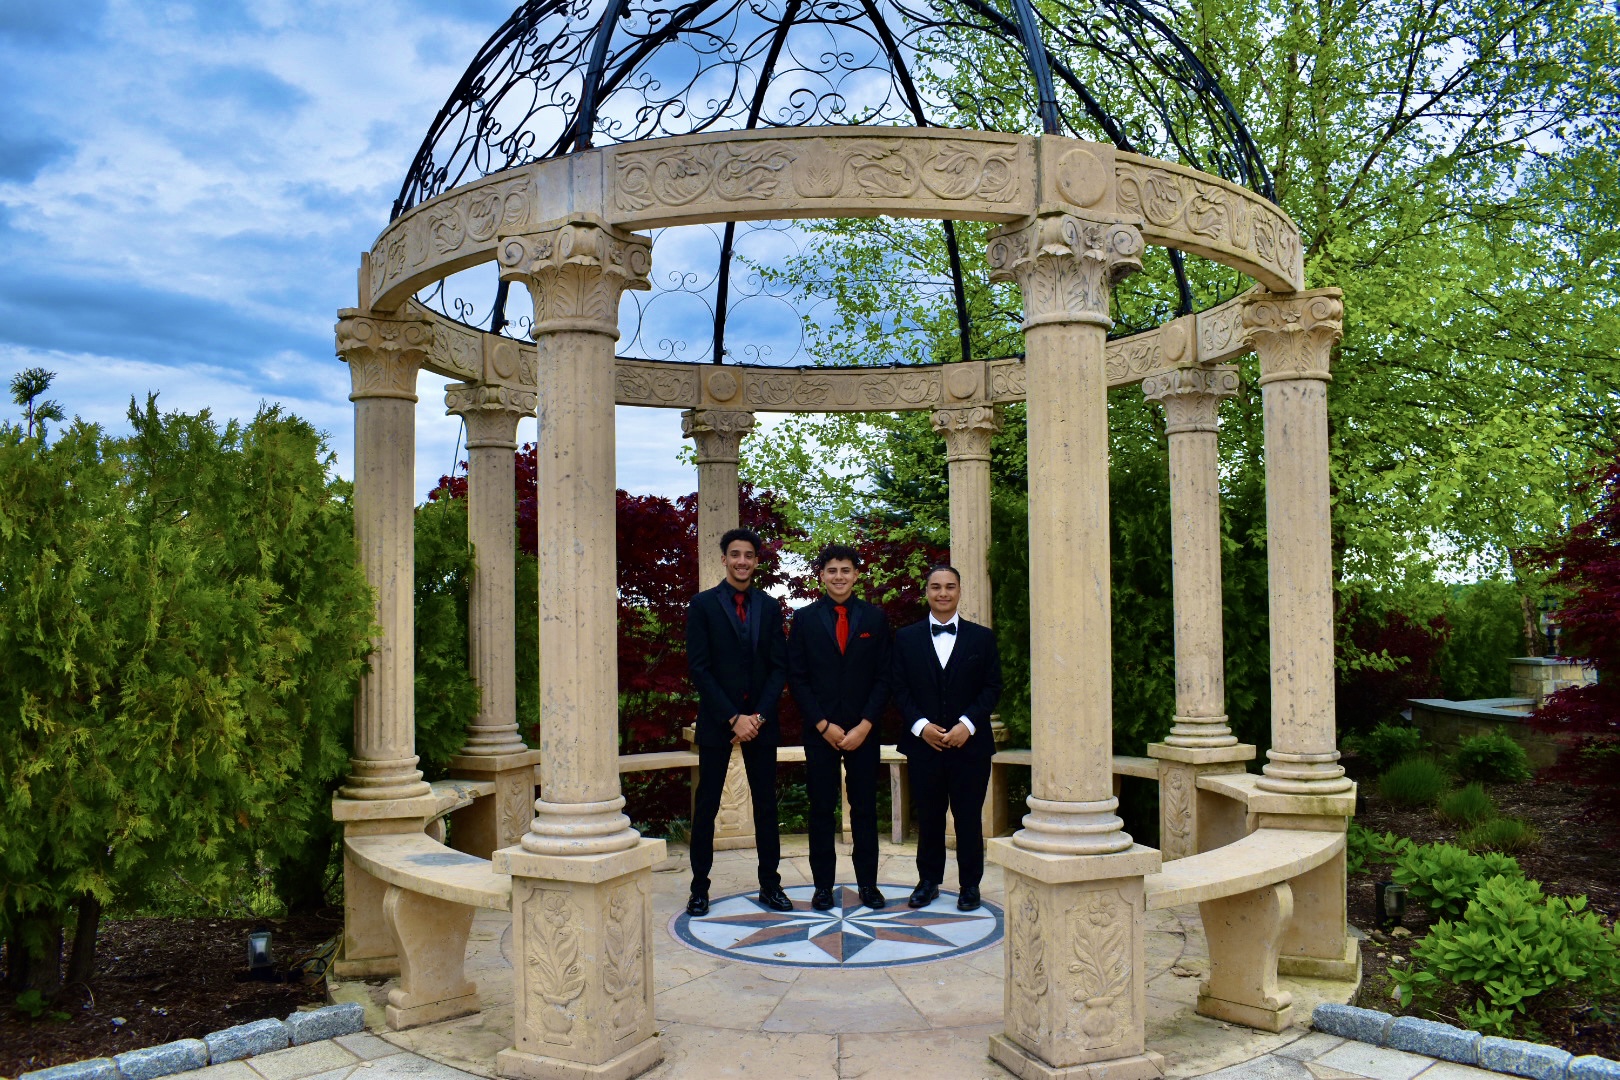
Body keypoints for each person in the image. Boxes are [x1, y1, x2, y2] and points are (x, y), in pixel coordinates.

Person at [684, 527, 792, 916]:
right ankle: (699, 888)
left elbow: (779, 668)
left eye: (748, 555)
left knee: (766, 806)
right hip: (718, 721)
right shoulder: (702, 605)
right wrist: (733, 717)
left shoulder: (770, 606)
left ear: (756, 561)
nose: (741, 561)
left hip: (761, 723)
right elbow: (699, 668)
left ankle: (770, 885)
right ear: (724, 559)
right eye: (735, 554)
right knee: (707, 806)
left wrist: (757, 717)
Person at [787, 544, 892, 911]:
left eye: (846, 570)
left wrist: (865, 725)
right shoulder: (804, 619)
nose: (839, 576)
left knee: (864, 809)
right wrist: (822, 724)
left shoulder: (875, 619)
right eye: (832, 570)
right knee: (820, 809)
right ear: (821, 575)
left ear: (856, 575)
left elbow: (884, 677)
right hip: (821, 732)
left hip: (864, 731)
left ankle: (868, 885)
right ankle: (822, 887)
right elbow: (797, 677)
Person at [892, 565, 1002, 911]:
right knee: (929, 817)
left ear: (959, 591)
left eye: (950, 587)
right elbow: (898, 688)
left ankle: (970, 885)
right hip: (923, 746)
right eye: (936, 587)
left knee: (968, 818)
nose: (943, 593)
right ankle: (928, 881)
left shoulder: (982, 638)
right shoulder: (905, 638)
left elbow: (992, 688)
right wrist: (921, 726)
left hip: (971, 747)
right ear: (926, 592)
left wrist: (967, 725)